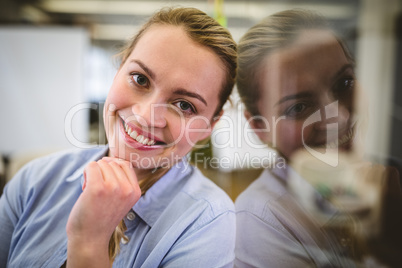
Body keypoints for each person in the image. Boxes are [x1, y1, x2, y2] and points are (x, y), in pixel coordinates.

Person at [0, 7, 237, 267]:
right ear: (118, 71)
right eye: (140, 79)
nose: (146, 116)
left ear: (209, 125)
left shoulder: (206, 220)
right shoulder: (34, 180)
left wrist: (89, 242)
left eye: (184, 105)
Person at [235, 9, 402, 267]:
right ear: (260, 127)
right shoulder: (261, 220)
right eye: (298, 107)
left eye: (344, 83)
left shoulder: (388, 179)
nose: (341, 117)